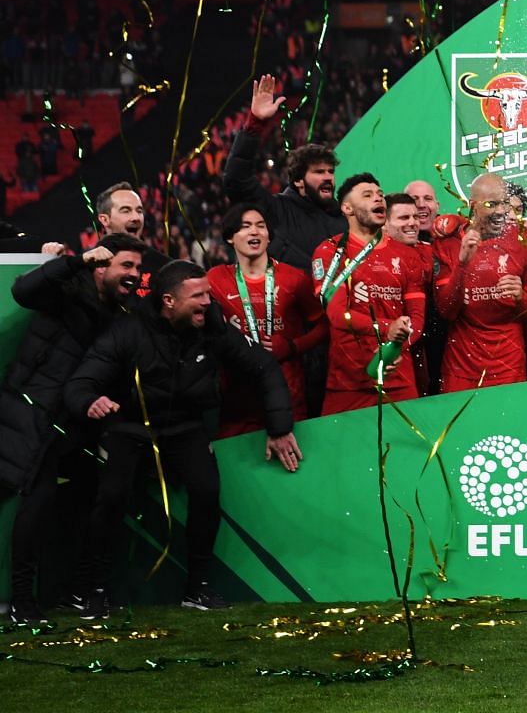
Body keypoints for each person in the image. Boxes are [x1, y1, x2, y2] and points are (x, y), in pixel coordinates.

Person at [66, 260, 302, 615]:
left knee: (206, 490)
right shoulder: (127, 331)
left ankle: (198, 588)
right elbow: (81, 382)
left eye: (208, 292)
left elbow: (263, 366)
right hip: (129, 426)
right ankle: (94, 588)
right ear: (169, 301)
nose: (209, 301)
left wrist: (280, 426)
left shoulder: (214, 327)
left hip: (185, 426)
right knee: (111, 496)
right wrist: (91, 401)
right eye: (199, 295)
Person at [0, 236, 144, 627]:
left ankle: (62, 591)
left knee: (80, 496)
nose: (133, 275)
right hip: (29, 413)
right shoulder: (67, 287)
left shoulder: (121, 315)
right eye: (125, 266)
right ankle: (22, 600)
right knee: (37, 500)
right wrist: (72, 261)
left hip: (68, 423)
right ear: (101, 266)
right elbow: (22, 290)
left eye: (137, 268)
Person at [312, 174, 427, 412]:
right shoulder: (330, 252)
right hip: (347, 385)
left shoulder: (407, 255)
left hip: (399, 383)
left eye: (380, 194)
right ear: (347, 208)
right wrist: (388, 329)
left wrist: (392, 348)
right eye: (368, 195)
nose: (378, 198)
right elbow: (336, 315)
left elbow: (416, 318)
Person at [205, 205, 323, 438]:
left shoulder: (295, 278)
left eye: (261, 226)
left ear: (269, 236)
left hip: (290, 397)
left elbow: (324, 326)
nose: (255, 232)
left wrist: (292, 347)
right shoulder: (215, 279)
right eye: (245, 226)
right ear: (230, 237)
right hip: (238, 401)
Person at [435, 173, 527, 391]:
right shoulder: (448, 243)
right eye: (491, 204)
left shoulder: (526, 243)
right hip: (461, 367)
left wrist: (521, 298)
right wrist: (462, 264)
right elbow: (446, 311)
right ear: (472, 205)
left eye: (504, 203)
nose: (501, 211)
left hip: (509, 365)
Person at [223, 74, 346, 263]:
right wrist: (255, 123)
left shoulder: (344, 219)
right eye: (319, 172)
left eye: (330, 171)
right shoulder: (278, 210)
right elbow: (236, 179)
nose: (328, 177)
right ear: (298, 180)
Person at [38, 181, 147, 259]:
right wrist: (49, 265)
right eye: (126, 211)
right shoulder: (86, 266)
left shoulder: (159, 266)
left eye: (139, 211)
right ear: (104, 220)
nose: (136, 217)